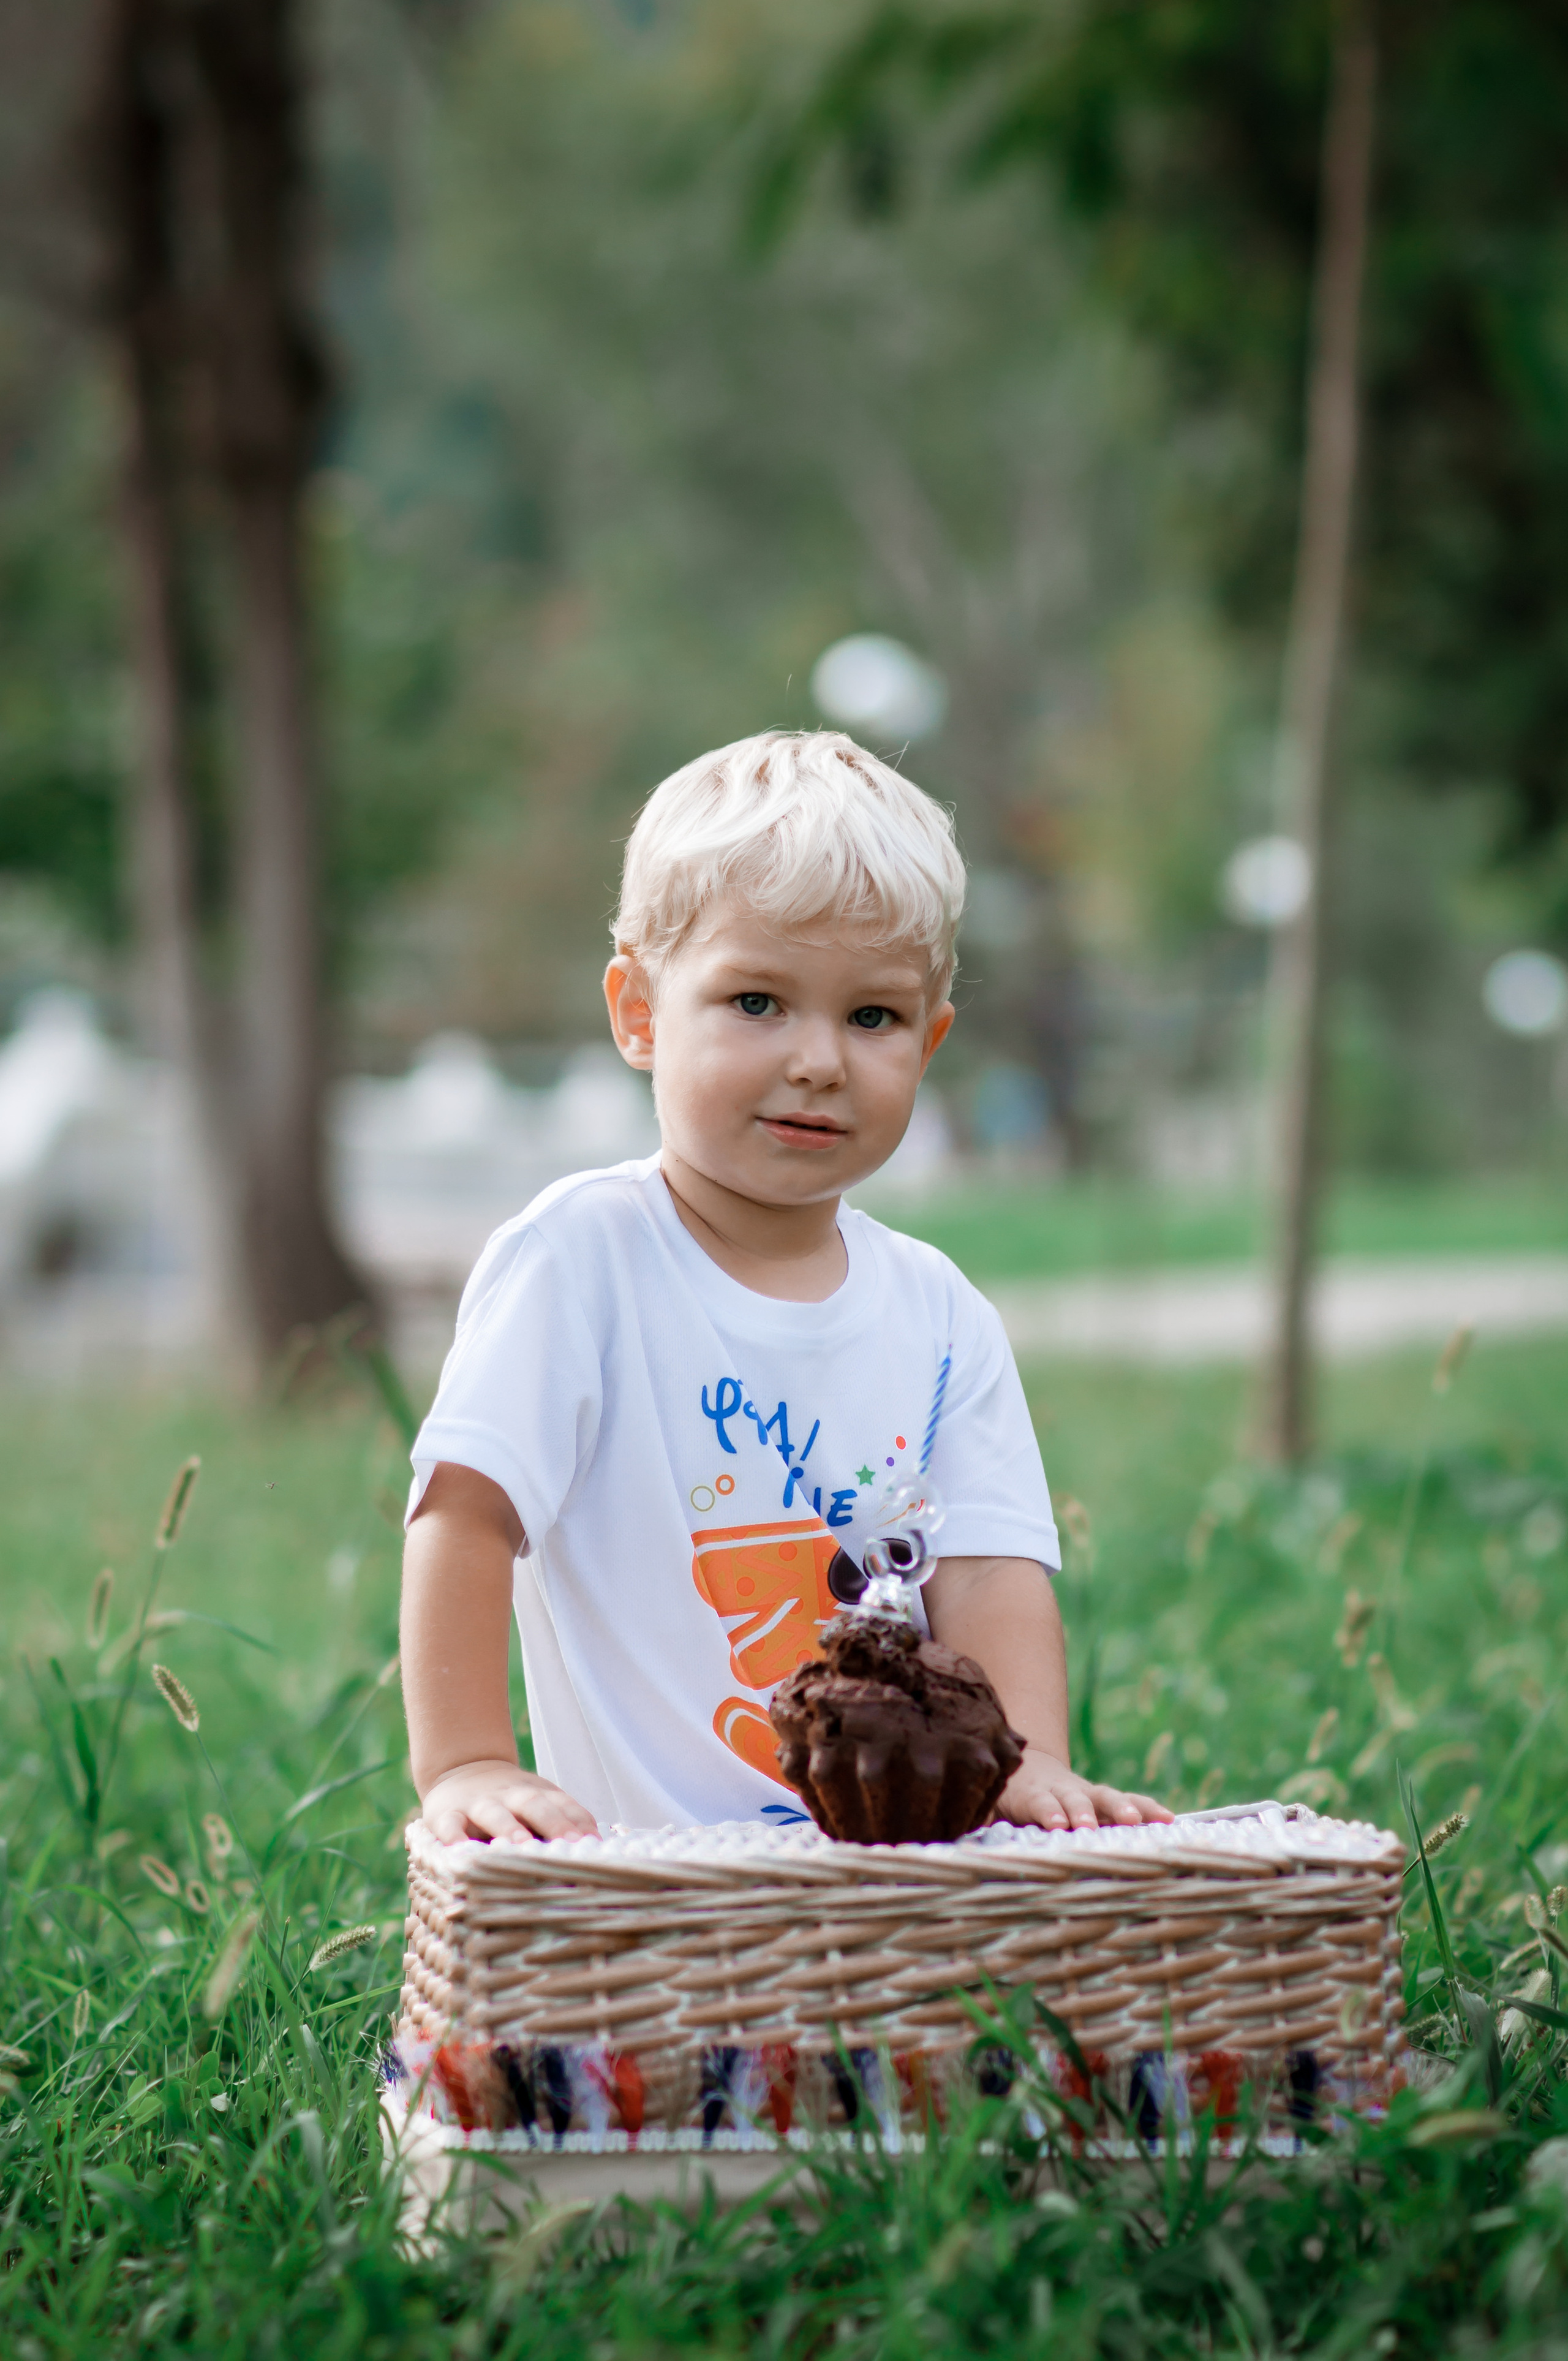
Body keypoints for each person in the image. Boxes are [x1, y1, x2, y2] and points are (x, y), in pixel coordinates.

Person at [399, 730, 1170, 1843]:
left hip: (897, 1873)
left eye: (872, 1017)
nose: (819, 1060)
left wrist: (1027, 1759)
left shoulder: (938, 1311)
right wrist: (468, 1762)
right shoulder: (581, 1261)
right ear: (639, 1011)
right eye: (757, 1001)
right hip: (653, 1883)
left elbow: (987, 1571)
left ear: (930, 1043)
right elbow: (467, 1516)